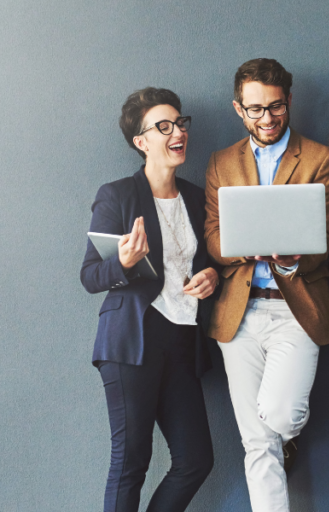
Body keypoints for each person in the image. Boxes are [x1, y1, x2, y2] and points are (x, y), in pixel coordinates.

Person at [203, 58, 329, 512]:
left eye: (276, 107)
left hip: (296, 307)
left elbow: (328, 239)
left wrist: (292, 258)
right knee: (256, 443)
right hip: (239, 313)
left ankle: (287, 436)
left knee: (279, 417)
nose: (267, 118)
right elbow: (212, 235)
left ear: (289, 101)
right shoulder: (221, 162)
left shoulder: (324, 160)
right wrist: (248, 247)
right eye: (256, 109)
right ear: (238, 109)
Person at [81, 87, 217, 512]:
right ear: (141, 142)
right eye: (163, 126)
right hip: (131, 342)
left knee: (196, 460)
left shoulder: (198, 198)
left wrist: (213, 275)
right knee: (131, 462)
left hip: (183, 341)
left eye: (180, 123)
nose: (177, 132)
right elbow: (89, 276)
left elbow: (213, 261)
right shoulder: (118, 194)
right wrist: (123, 263)